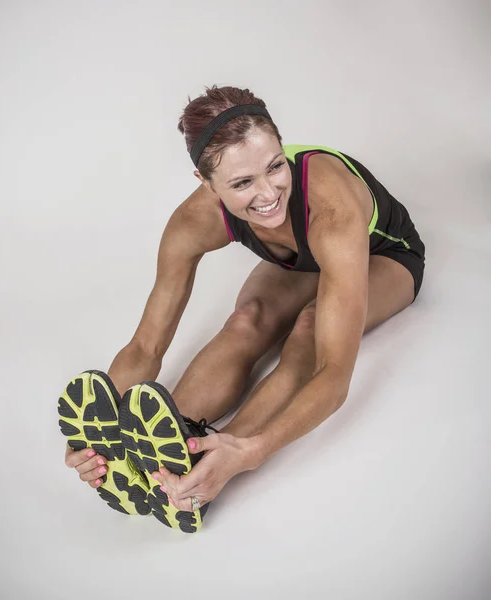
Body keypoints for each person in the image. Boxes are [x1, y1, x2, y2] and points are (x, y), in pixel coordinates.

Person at [58, 85, 426, 533]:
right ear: (205, 183)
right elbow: (145, 345)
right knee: (245, 319)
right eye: (242, 183)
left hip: (382, 256)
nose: (269, 192)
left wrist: (250, 454)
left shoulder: (332, 210)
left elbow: (334, 374)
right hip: (302, 256)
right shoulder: (194, 221)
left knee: (310, 331)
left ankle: (220, 455)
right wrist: (99, 435)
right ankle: (175, 443)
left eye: (275, 166)